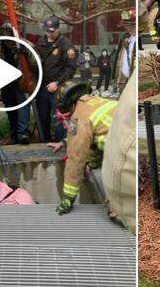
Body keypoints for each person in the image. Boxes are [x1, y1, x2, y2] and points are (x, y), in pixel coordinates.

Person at [47, 80, 117, 216]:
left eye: (66, 116)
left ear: (67, 105)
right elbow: (97, 136)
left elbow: (75, 159)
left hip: (125, 153)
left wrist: (67, 199)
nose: (66, 121)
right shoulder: (99, 102)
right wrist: (64, 142)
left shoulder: (79, 117)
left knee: (117, 210)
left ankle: (121, 213)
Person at [34, 15, 77, 142]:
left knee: (59, 117)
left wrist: (57, 83)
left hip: (58, 88)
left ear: (58, 29)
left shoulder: (66, 44)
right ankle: (45, 141)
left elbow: (71, 68)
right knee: (42, 116)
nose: (50, 34)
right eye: (47, 31)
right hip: (42, 86)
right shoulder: (41, 42)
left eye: (52, 31)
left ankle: (60, 142)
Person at [0, 22, 30, 145]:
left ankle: (23, 134)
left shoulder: (23, 45)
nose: (7, 41)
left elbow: (34, 62)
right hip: (6, 82)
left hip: (21, 82)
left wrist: (24, 51)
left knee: (22, 108)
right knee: (10, 109)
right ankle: (13, 135)